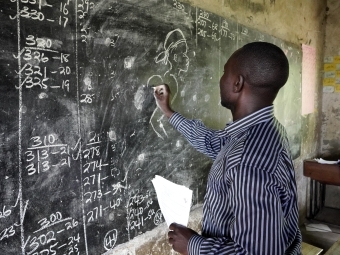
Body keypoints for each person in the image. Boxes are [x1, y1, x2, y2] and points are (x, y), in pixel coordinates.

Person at [153, 42, 302, 255]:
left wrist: (193, 245)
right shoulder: (264, 130)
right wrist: (169, 112)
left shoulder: (248, 164)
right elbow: (213, 142)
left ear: (237, 83)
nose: (220, 79)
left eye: (224, 73)